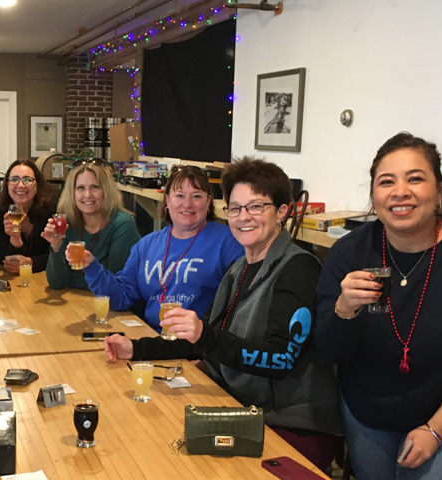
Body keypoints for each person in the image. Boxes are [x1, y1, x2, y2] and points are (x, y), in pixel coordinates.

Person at [104, 158, 341, 471]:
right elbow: (203, 338)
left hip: (291, 425)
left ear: (282, 211)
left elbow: (281, 360)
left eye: (256, 207)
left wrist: (205, 335)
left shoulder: (298, 269)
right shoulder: (239, 268)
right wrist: (136, 348)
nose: (244, 217)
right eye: (236, 208)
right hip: (239, 406)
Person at [316, 132, 442, 479]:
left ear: (439, 189)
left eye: (415, 178)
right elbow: (326, 351)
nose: (400, 191)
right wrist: (344, 309)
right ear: (374, 194)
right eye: (386, 181)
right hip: (368, 414)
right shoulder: (349, 253)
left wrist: (436, 429)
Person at [80, 165, 243, 331]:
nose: (187, 204)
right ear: (167, 200)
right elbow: (121, 297)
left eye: (196, 196)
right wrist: (92, 267)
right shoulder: (146, 245)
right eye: (179, 196)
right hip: (152, 338)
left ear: (208, 201)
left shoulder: (229, 243)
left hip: (197, 345)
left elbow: (239, 311)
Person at [42, 159, 140, 290]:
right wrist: (56, 246)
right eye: (81, 188)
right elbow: (57, 283)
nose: (87, 195)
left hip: (113, 307)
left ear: (105, 191)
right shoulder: (67, 223)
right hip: (77, 305)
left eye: (95, 187)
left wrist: (73, 279)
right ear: (73, 193)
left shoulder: (123, 224)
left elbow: (116, 285)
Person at [0, 159, 56, 273]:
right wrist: (15, 238)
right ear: (7, 185)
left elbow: (58, 253)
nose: (21, 185)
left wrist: (31, 262)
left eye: (28, 180)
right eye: (14, 179)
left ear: (37, 185)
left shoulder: (50, 212)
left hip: (43, 278)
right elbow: (2, 260)